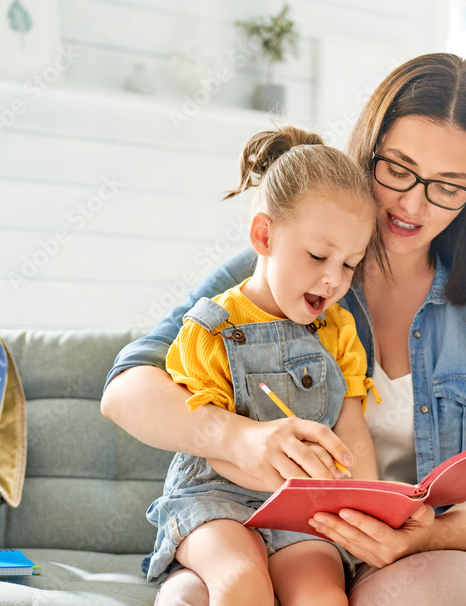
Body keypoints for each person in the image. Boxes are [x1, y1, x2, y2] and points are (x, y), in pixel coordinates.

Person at [102, 53, 466, 606]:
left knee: (385, 598)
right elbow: (126, 388)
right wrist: (237, 438)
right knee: (194, 597)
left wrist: (429, 534)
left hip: (429, 552)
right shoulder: (284, 264)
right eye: (398, 170)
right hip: (278, 531)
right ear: (371, 149)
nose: (412, 203)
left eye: (447, 187)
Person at [143, 125, 382, 605]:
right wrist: (291, 482)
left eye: (350, 264)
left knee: (324, 596)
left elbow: (351, 428)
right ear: (264, 234)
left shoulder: (339, 332)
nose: (333, 279)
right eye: (318, 255)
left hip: (304, 510)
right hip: (216, 501)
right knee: (241, 581)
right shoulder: (210, 329)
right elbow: (213, 447)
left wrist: (369, 504)